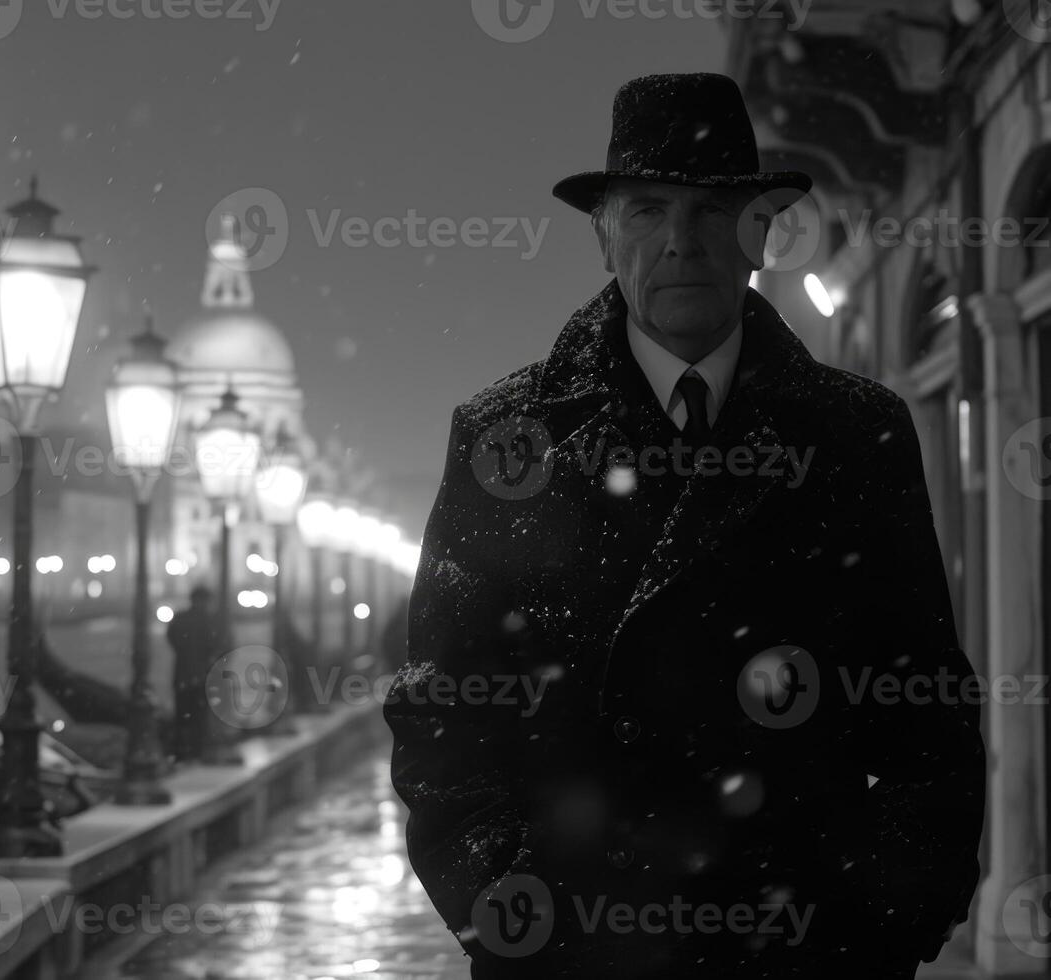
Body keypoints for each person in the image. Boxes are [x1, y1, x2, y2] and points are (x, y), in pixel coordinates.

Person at [383, 73, 985, 979]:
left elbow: (925, 705)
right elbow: (442, 711)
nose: (680, 242)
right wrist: (509, 904)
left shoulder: (858, 433)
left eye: (712, 211)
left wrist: (885, 926)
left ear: (758, 234)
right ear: (604, 234)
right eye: (648, 210)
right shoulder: (511, 439)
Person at [167, 584, 218, 763]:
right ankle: (197, 751)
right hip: (201, 676)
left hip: (183, 675)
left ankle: (181, 752)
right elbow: (215, 645)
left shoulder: (181, 618)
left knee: (182, 716)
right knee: (199, 716)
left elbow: (172, 638)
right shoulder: (209, 620)